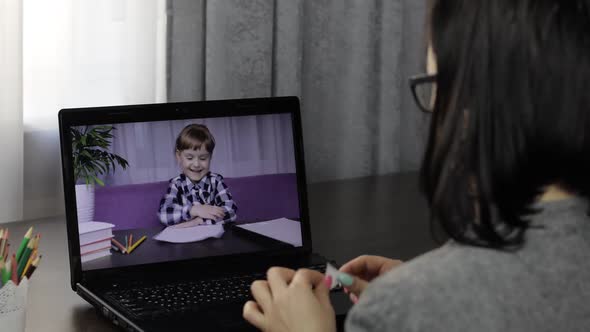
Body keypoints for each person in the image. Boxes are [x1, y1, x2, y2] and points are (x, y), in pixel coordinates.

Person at [242, 0, 590, 331]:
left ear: (474, 102)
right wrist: (427, 287)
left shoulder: (396, 311)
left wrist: (411, 301)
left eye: (435, 84)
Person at [158, 124, 237, 228]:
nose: (196, 164)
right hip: (186, 242)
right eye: (190, 158)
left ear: (210, 157)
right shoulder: (176, 184)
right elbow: (164, 215)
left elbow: (230, 210)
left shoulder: (216, 181)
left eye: (203, 158)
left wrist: (199, 222)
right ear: (179, 157)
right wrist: (192, 210)